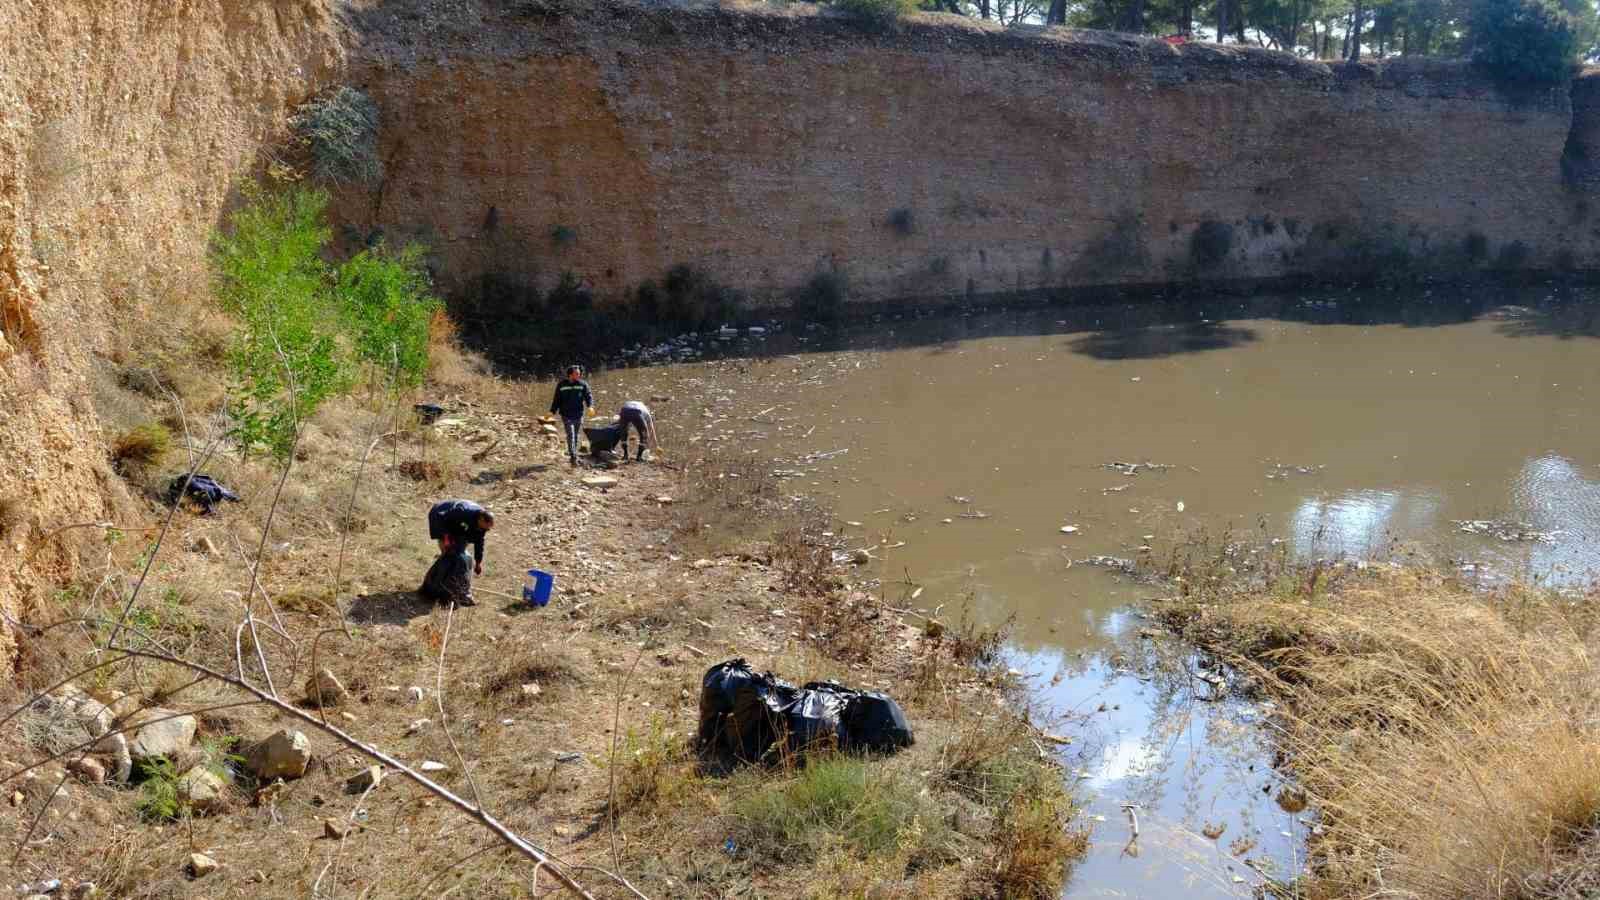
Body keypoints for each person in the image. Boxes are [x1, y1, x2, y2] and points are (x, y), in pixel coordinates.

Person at [420, 500, 496, 606]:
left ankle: (460, 593)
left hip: (457, 524)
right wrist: (446, 538)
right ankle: (436, 585)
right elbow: (444, 518)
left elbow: (479, 543)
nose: (486, 530)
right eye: (485, 527)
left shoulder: (481, 525)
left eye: (488, 529)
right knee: (448, 553)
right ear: (481, 519)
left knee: (460, 553)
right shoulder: (462, 512)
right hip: (440, 515)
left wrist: (478, 562)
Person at [549, 365, 593, 465]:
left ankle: (574, 453)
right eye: (576, 373)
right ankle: (573, 455)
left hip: (579, 414)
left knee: (576, 435)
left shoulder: (583, 384)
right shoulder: (561, 385)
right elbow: (556, 400)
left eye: (579, 373)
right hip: (566, 414)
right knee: (571, 434)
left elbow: (588, 396)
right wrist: (552, 411)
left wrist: (590, 406)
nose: (579, 375)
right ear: (570, 374)